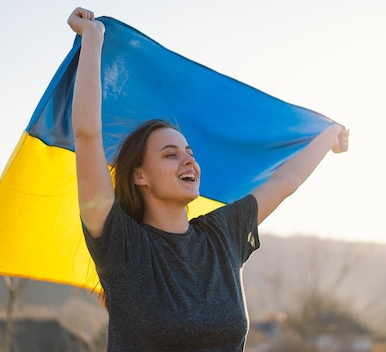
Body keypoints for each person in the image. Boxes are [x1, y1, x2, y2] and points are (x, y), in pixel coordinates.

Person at [67, 7, 349, 351]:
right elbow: (86, 134)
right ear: (140, 175)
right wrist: (93, 39)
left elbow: (284, 181)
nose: (188, 159)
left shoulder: (221, 235)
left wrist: (330, 135)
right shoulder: (122, 243)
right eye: (170, 154)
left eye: (189, 152)